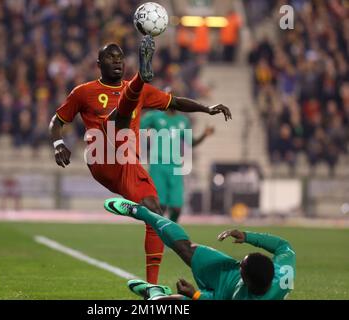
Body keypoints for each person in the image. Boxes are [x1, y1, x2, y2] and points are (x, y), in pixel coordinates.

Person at [49, 35, 232, 284]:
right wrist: (58, 143)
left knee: (155, 213)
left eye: (120, 58)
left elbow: (175, 101)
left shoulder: (145, 95)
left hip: (128, 162)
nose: (117, 61)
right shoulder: (84, 92)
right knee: (117, 120)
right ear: (98, 63)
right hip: (102, 155)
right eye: (110, 57)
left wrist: (207, 109)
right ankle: (140, 78)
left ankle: (152, 288)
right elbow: (57, 121)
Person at [104, 198, 296, 300]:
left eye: (242, 269)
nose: (240, 267)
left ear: (248, 282)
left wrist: (194, 294)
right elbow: (283, 246)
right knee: (185, 248)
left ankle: (154, 292)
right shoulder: (284, 272)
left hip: (219, 296)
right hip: (223, 272)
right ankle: (141, 212)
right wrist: (247, 236)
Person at [141, 104, 214, 222]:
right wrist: (145, 135)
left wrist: (204, 135)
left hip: (175, 166)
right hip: (158, 164)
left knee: (176, 208)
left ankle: (171, 232)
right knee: (160, 206)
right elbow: (136, 126)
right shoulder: (154, 116)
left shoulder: (183, 120)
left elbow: (191, 142)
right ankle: (157, 234)